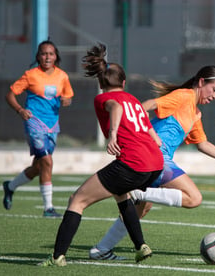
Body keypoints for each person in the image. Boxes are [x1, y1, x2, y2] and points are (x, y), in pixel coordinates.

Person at [88, 65, 215, 260]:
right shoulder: (184, 96)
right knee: (194, 198)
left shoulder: (195, 113)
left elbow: (203, 144)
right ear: (201, 82)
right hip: (154, 155)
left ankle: (101, 249)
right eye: (214, 89)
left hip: (153, 158)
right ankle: (138, 191)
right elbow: (147, 105)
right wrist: (133, 129)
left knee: (141, 209)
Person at [38, 43, 164, 266]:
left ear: (101, 83)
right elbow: (149, 128)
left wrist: (113, 135)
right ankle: (141, 246)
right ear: (124, 83)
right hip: (154, 163)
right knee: (122, 195)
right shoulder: (134, 99)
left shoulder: (103, 99)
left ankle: (57, 256)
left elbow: (116, 108)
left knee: (76, 201)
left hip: (133, 163)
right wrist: (154, 141)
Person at [3, 40, 74, 217]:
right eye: (43, 53)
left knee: (39, 167)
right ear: (38, 56)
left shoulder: (62, 76)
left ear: (56, 56)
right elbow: (10, 94)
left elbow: (68, 96)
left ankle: (10, 186)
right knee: (48, 162)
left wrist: (67, 101)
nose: (47, 57)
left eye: (50, 53)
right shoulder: (30, 75)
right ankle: (48, 208)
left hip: (52, 125)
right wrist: (20, 110)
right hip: (34, 123)